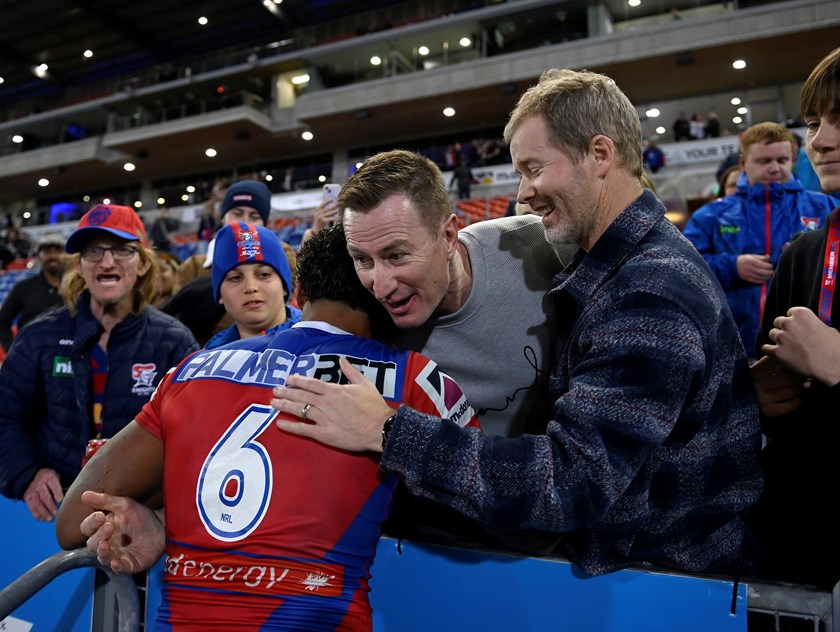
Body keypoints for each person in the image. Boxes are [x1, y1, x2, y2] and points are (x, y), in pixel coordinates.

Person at [269, 68, 764, 579]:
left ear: (599, 155)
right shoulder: (601, 262)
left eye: (533, 168)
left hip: (661, 582)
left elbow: (571, 484)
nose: (522, 192)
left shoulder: (646, 288)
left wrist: (388, 430)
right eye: (363, 260)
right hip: (589, 568)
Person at [56, 224, 479, 631]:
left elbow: (73, 520)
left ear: (298, 292)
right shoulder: (415, 380)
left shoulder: (193, 368)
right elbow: (500, 502)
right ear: (384, 291)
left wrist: (165, 521)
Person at [0, 204, 199, 522]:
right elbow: (6, 416)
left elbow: (190, 437)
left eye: (123, 250)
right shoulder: (39, 336)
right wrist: (27, 473)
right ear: (78, 265)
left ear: (144, 263)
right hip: (55, 513)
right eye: (93, 251)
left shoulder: (174, 341)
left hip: (140, 513)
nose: (107, 262)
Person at [749, 45, 840, 590]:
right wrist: (754, 392)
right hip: (802, 536)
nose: (822, 140)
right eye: (813, 123)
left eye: (839, 121)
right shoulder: (803, 252)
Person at [683, 121, 840, 356]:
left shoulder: (826, 207)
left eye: (782, 160)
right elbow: (684, 271)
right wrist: (732, 267)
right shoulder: (711, 216)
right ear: (744, 163)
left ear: (792, 160)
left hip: (811, 351)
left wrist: (810, 256)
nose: (775, 168)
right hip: (734, 350)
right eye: (764, 161)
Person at [204, 221, 301, 349]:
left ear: (284, 285)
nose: (250, 287)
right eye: (236, 278)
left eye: (264, 275)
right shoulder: (209, 357)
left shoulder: (319, 339)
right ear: (220, 294)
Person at [0, 233, 66, 352]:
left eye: (58, 251)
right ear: (39, 256)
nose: (53, 256)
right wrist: (12, 351)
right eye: (47, 251)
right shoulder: (24, 287)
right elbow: (3, 321)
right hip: (31, 356)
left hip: (68, 358)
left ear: (66, 255)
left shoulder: (76, 287)